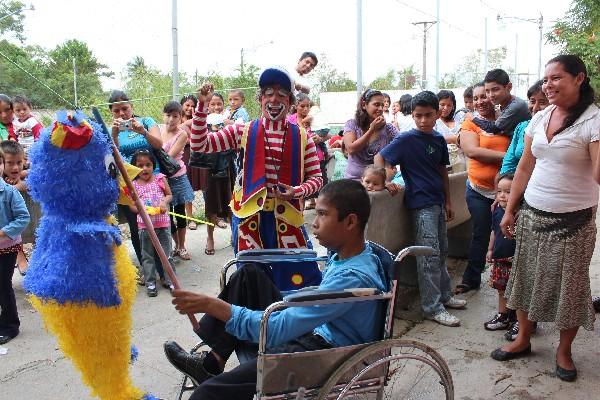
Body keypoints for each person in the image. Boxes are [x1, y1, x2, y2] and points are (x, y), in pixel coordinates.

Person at [163, 179, 388, 400]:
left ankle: (210, 367)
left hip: (325, 354)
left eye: (322, 214)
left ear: (350, 222)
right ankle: (212, 361)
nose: (314, 223)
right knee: (249, 275)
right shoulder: (350, 253)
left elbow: (277, 328)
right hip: (316, 328)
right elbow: (313, 303)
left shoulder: (352, 278)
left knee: (208, 393)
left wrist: (215, 306)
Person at [492, 55, 600, 383]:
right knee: (524, 278)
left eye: (556, 78)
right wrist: (510, 209)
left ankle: (564, 351)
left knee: (570, 287)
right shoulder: (539, 118)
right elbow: (525, 166)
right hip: (532, 213)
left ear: (579, 78)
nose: (547, 85)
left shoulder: (594, 121)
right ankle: (523, 339)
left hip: (574, 221)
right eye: (545, 79)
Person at [190, 67, 323, 291]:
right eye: (268, 93)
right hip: (248, 218)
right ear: (260, 99)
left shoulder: (303, 137)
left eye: (281, 94)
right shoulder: (241, 130)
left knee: (299, 280)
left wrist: (296, 191)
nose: (274, 99)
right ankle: (258, 324)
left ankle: (292, 324)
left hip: (287, 218)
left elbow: (317, 179)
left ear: (290, 102)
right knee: (252, 282)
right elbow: (200, 145)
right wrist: (202, 107)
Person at [375, 91, 466, 327]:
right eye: (418, 116)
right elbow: (380, 157)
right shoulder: (406, 139)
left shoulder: (437, 139)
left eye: (428, 115)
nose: (423, 120)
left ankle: (444, 296)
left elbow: (442, 171)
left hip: (437, 202)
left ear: (438, 113)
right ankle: (432, 307)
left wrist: (448, 201)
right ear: (412, 116)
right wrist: (383, 180)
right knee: (428, 256)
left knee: (442, 251)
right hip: (420, 204)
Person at [454, 82, 511, 295]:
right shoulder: (470, 123)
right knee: (480, 234)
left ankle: (506, 282)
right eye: (475, 98)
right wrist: (508, 157)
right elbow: (472, 151)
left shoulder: (507, 121)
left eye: (484, 96)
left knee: (505, 234)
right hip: (477, 190)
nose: (479, 101)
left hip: (505, 192)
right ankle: (471, 278)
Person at [109, 90, 163, 272]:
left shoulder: (146, 121)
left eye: (125, 108)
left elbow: (159, 144)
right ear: (111, 112)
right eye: (116, 111)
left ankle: (162, 265)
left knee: (159, 223)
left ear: (132, 107)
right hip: (129, 185)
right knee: (137, 227)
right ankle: (146, 268)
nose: (122, 114)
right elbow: (110, 158)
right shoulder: (110, 131)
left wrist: (143, 132)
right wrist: (114, 136)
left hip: (154, 182)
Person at [130, 150, 174, 297]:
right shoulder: (134, 185)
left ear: (153, 166)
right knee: (147, 256)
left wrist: (163, 203)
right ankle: (150, 282)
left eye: (148, 165)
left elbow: (169, 195)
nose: (145, 168)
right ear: (134, 167)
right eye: (140, 165)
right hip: (145, 227)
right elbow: (131, 206)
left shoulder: (160, 179)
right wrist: (141, 210)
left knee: (167, 254)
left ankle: (170, 280)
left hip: (162, 224)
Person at [0, 147, 30, 344]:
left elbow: (23, 218)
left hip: (7, 247)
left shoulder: (9, 192)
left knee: (3, 286)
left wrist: (2, 232)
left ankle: (11, 325)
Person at [160, 101, 195, 261]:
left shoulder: (182, 134)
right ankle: (176, 245)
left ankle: (182, 246)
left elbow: (169, 157)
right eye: (168, 115)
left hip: (177, 178)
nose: (171, 119)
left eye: (176, 116)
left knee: (180, 213)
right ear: (163, 115)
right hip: (161, 179)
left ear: (181, 118)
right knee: (167, 214)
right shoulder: (158, 130)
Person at [343, 89, 400, 181]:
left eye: (382, 105)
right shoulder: (352, 124)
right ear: (364, 105)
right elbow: (351, 149)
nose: (381, 109)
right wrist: (372, 129)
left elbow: (403, 144)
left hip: (378, 184)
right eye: (376, 104)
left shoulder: (388, 128)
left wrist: (389, 165)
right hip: (354, 182)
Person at [484, 174, 516, 331]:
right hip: (500, 258)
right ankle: (503, 316)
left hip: (515, 260)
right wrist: (490, 249)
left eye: (508, 191)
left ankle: (518, 320)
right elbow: (494, 231)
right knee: (501, 289)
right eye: (499, 191)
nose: (502, 195)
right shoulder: (496, 210)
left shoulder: (519, 214)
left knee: (517, 290)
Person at [202, 109, 235, 256]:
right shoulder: (204, 136)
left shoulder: (229, 134)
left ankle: (234, 235)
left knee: (232, 207)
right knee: (211, 210)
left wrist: (228, 124)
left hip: (228, 175)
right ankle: (210, 238)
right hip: (211, 176)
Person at [499, 80, 549, 175]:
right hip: (518, 181)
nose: (535, 108)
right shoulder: (522, 127)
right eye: (532, 101)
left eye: (542, 102)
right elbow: (509, 160)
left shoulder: (556, 130)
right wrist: (505, 180)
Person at [470, 69, 530, 138]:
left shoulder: (516, 106)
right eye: (487, 91)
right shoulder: (502, 106)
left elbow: (493, 128)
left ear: (509, 87)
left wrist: (472, 118)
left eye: (495, 89)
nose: (491, 95)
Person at [1, 141, 30, 276]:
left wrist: (18, 183)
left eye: (19, 162)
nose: (16, 167)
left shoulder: (14, 181)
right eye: (10, 163)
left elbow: (30, 183)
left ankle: (21, 256)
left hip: (15, 229)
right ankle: (20, 256)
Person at [180, 94, 203, 229]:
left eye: (193, 106)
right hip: (184, 155)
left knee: (204, 185)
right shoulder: (177, 118)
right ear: (182, 105)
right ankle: (190, 218)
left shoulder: (198, 119)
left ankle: (214, 215)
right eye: (187, 105)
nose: (190, 108)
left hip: (199, 156)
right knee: (187, 186)